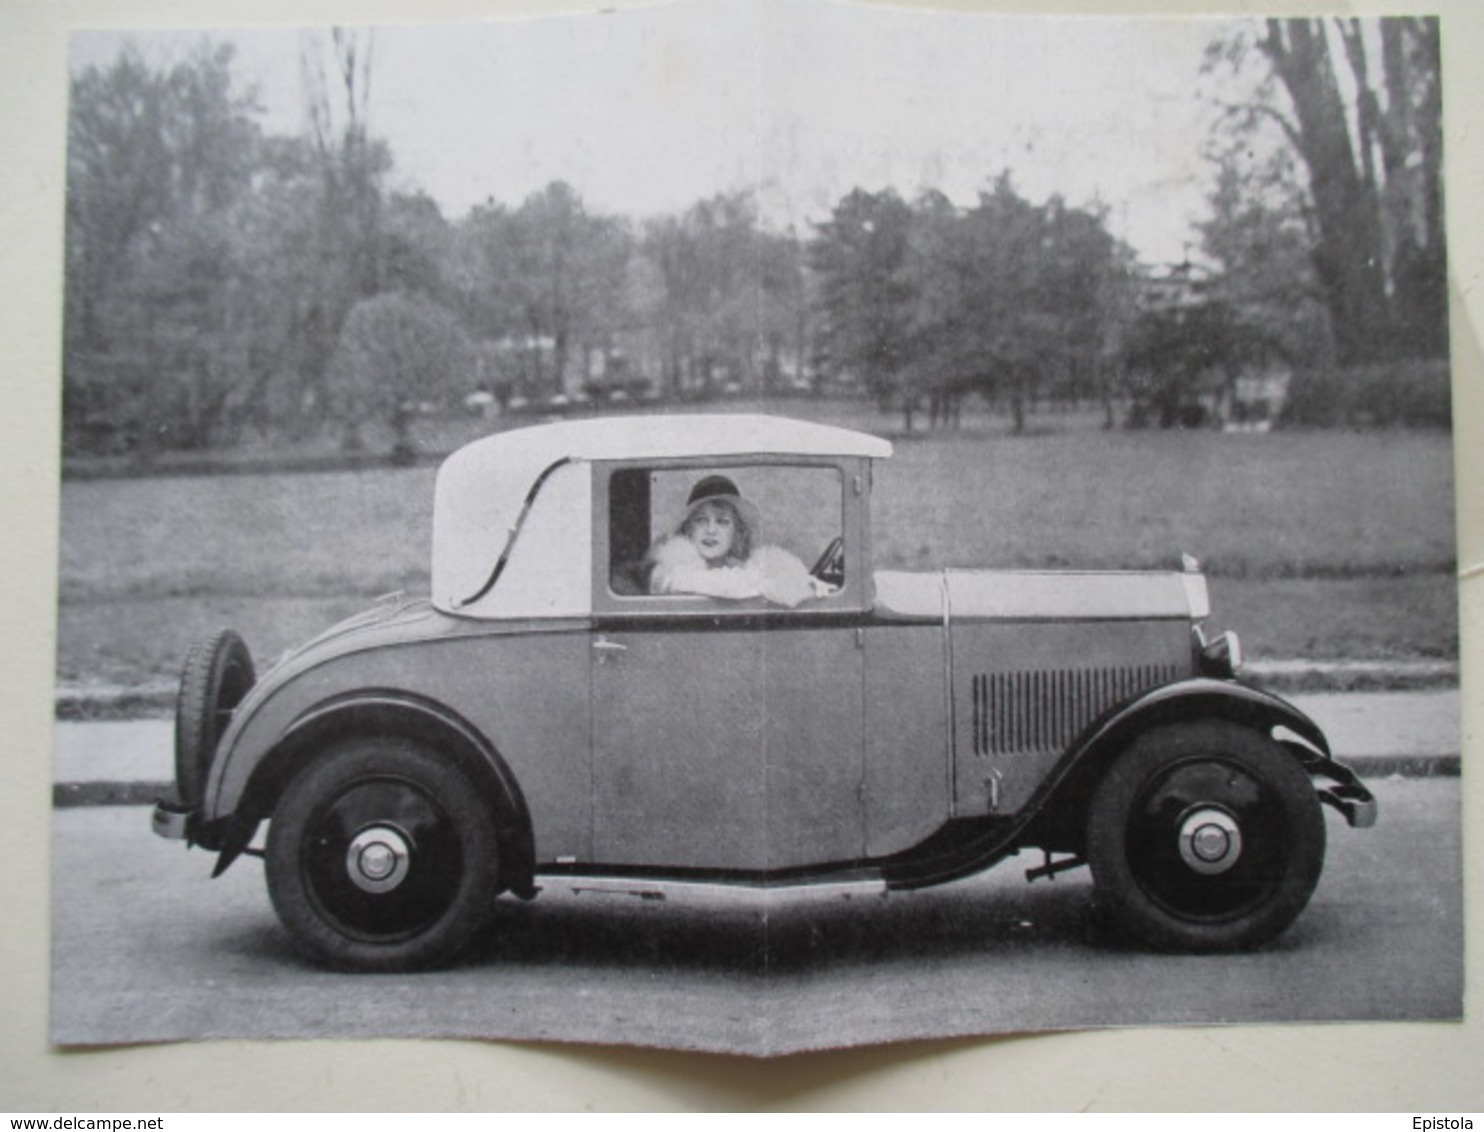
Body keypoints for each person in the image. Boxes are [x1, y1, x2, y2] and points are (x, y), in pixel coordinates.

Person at [645, 475, 835, 608]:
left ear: (736, 532)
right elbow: (728, 585)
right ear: (688, 529)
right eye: (701, 520)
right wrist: (782, 583)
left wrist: (805, 582)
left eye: (722, 521)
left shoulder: (742, 569)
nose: (711, 530)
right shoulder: (672, 572)